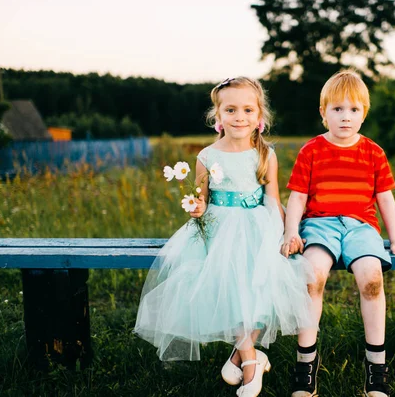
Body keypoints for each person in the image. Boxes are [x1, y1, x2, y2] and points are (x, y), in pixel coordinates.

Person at [134, 77, 313, 397]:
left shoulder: (265, 154)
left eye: (247, 109)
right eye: (230, 109)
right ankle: (251, 363)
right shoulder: (206, 156)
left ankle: (242, 357)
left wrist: (288, 232)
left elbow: (272, 197)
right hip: (218, 228)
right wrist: (196, 207)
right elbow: (201, 197)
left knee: (258, 290)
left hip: (258, 226)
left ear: (259, 115)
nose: (239, 116)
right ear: (217, 116)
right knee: (228, 290)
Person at [281, 70, 395, 397]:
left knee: (371, 278)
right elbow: (298, 197)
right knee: (312, 275)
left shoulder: (373, 152)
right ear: (323, 113)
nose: (346, 117)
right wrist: (291, 233)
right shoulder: (311, 151)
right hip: (320, 224)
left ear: (364, 114)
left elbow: (385, 197)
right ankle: (306, 368)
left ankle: (376, 370)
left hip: (361, 226)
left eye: (354, 110)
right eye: (337, 109)